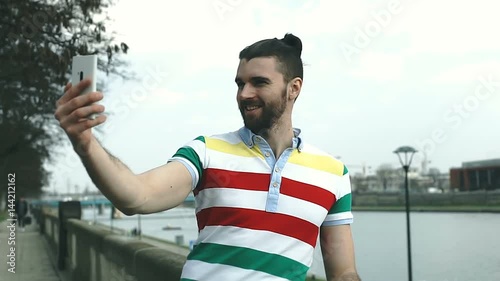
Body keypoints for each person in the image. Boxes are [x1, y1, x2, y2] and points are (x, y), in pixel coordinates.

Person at [55, 33, 361, 281]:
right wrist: (86, 143)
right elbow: (137, 197)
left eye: (259, 82)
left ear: (293, 89)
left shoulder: (333, 174)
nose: (244, 93)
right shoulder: (206, 151)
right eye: (240, 83)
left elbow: (343, 272)